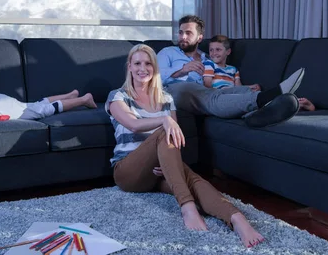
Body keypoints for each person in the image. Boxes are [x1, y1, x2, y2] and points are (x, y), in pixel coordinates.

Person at [106, 44, 265, 248]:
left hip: (157, 172)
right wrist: (164, 120)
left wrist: (165, 163)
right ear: (129, 66)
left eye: (148, 64)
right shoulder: (118, 96)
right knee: (166, 129)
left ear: (154, 68)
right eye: (137, 63)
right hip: (129, 172)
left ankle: (236, 218)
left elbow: (174, 138)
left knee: (192, 180)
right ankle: (187, 207)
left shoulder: (166, 98)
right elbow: (134, 125)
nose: (142, 68)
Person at [157, 15, 304, 128]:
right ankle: (267, 98)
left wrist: (246, 88)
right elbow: (156, 76)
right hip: (174, 91)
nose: (182, 37)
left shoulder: (207, 57)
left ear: (200, 37)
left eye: (188, 33)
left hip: (205, 92)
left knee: (229, 92)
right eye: (181, 32)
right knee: (206, 95)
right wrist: (182, 70)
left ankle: (267, 109)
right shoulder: (168, 52)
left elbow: (219, 82)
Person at [204, 34, 316, 111]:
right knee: (249, 100)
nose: (213, 53)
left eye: (218, 49)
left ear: (228, 51)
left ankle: (296, 103)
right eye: (211, 50)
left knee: (251, 92)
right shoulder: (210, 65)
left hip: (234, 92)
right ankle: (288, 101)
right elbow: (207, 85)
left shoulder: (233, 69)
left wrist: (250, 87)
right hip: (220, 95)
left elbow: (238, 87)